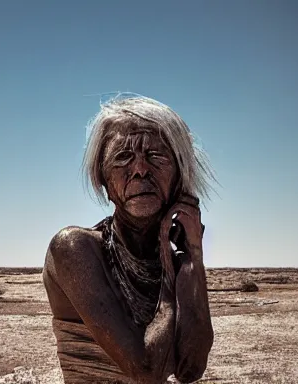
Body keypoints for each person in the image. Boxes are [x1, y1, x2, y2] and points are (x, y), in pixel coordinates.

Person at [43, 95, 216, 384]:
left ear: (180, 174)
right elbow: (145, 371)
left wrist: (193, 258)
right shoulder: (75, 248)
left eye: (156, 156)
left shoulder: (172, 260)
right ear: (103, 180)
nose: (139, 169)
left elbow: (191, 370)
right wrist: (172, 283)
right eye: (122, 157)